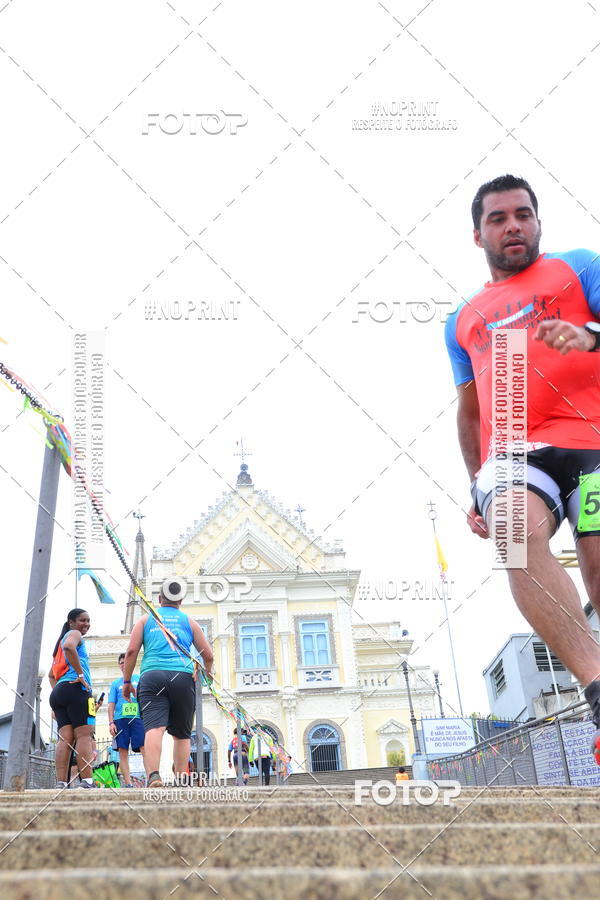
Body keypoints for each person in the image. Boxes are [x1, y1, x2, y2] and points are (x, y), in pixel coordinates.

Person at [444, 174, 600, 761]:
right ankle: (597, 689)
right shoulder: (465, 318)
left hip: (591, 440)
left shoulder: (578, 268)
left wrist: (588, 336)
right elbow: (471, 413)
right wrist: (473, 484)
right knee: (513, 534)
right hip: (514, 451)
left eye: (523, 215)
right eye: (498, 218)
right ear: (478, 233)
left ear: (538, 222)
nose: (513, 226)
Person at [122, 578, 213, 787]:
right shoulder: (190, 622)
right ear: (180, 599)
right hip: (183, 677)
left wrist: (127, 681)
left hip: (152, 676)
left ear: (160, 598)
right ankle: (182, 777)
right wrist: (206, 674)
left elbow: (131, 651)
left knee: (154, 728)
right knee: (182, 734)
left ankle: (154, 775)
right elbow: (208, 655)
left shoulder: (145, 620)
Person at [48, 608, 97, 788]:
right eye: (82, 620)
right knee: (85, 735)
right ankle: (88, 780)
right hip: (76, 689)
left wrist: (60, 691)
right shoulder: (73, 635)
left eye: (88, 620)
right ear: (71, 622)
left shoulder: (58, 645)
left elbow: (50, 676)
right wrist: (81, 675)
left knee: (65, 739)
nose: (86, 624)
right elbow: (70, 646)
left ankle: (61, 782)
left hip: (59, 691)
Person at [108, 653, 145, 787]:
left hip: (137, 718)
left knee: (144, 748)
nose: (124, 664)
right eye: (121, 662)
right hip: (120, 719)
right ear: (119, 665)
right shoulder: (115, 684)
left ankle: (151, 779)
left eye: (126, 662)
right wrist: (111, 722)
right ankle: (128, 783)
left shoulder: (139, 679)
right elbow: (111, 704)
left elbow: (144, 698)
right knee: (123, 751)